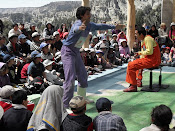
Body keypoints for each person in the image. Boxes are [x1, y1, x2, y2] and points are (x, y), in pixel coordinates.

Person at [61, 6, 125, 108]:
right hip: (68, 52)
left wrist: (114, 27)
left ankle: (81, 99)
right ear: (82, 15)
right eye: (87, 14)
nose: (90, 15)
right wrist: (80, 28)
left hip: (76, 52)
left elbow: (101, 26)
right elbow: (74, 30)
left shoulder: (90, 25)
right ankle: (65, 106)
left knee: (83, 75)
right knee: (70, 79)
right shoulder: (77, 24)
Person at [123, 27, 161, 92]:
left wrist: (139, 53)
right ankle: (138, 80)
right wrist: (138, 57)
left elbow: (150, 51)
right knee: (136, 63)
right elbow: (144, 54)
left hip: (153, 60)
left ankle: (133, 86)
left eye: (136, 34)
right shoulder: (143, 40)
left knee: (130, 65)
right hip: (149, 60)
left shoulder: (148, 39)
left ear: (141, 34)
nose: (135, 35)